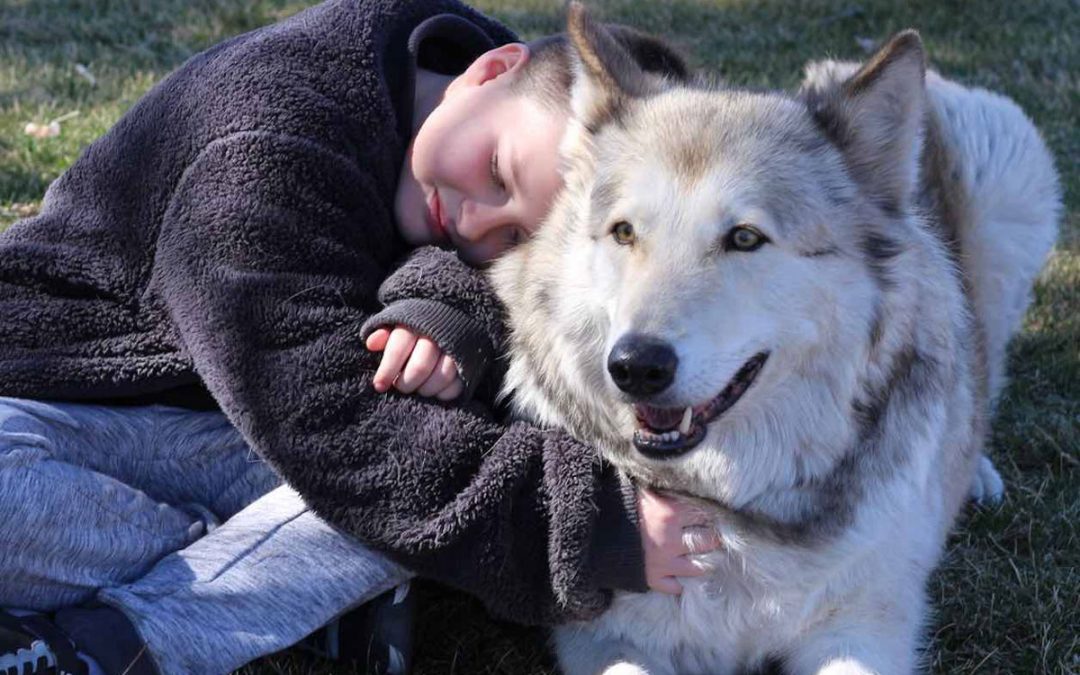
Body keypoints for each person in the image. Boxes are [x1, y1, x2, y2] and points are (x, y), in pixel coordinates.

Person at [0, 1, 713, 674]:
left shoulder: (498, 104)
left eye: (514, 242)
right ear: (491, 70)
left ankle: (126, 635)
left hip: (250, 437)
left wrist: (452, 303)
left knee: (413, 466)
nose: (472, 225)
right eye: (495, 172)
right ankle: (280, 599)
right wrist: (589, 524)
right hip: (60, 403)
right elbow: (336, 431)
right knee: (395, 483)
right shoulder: (259, 149)